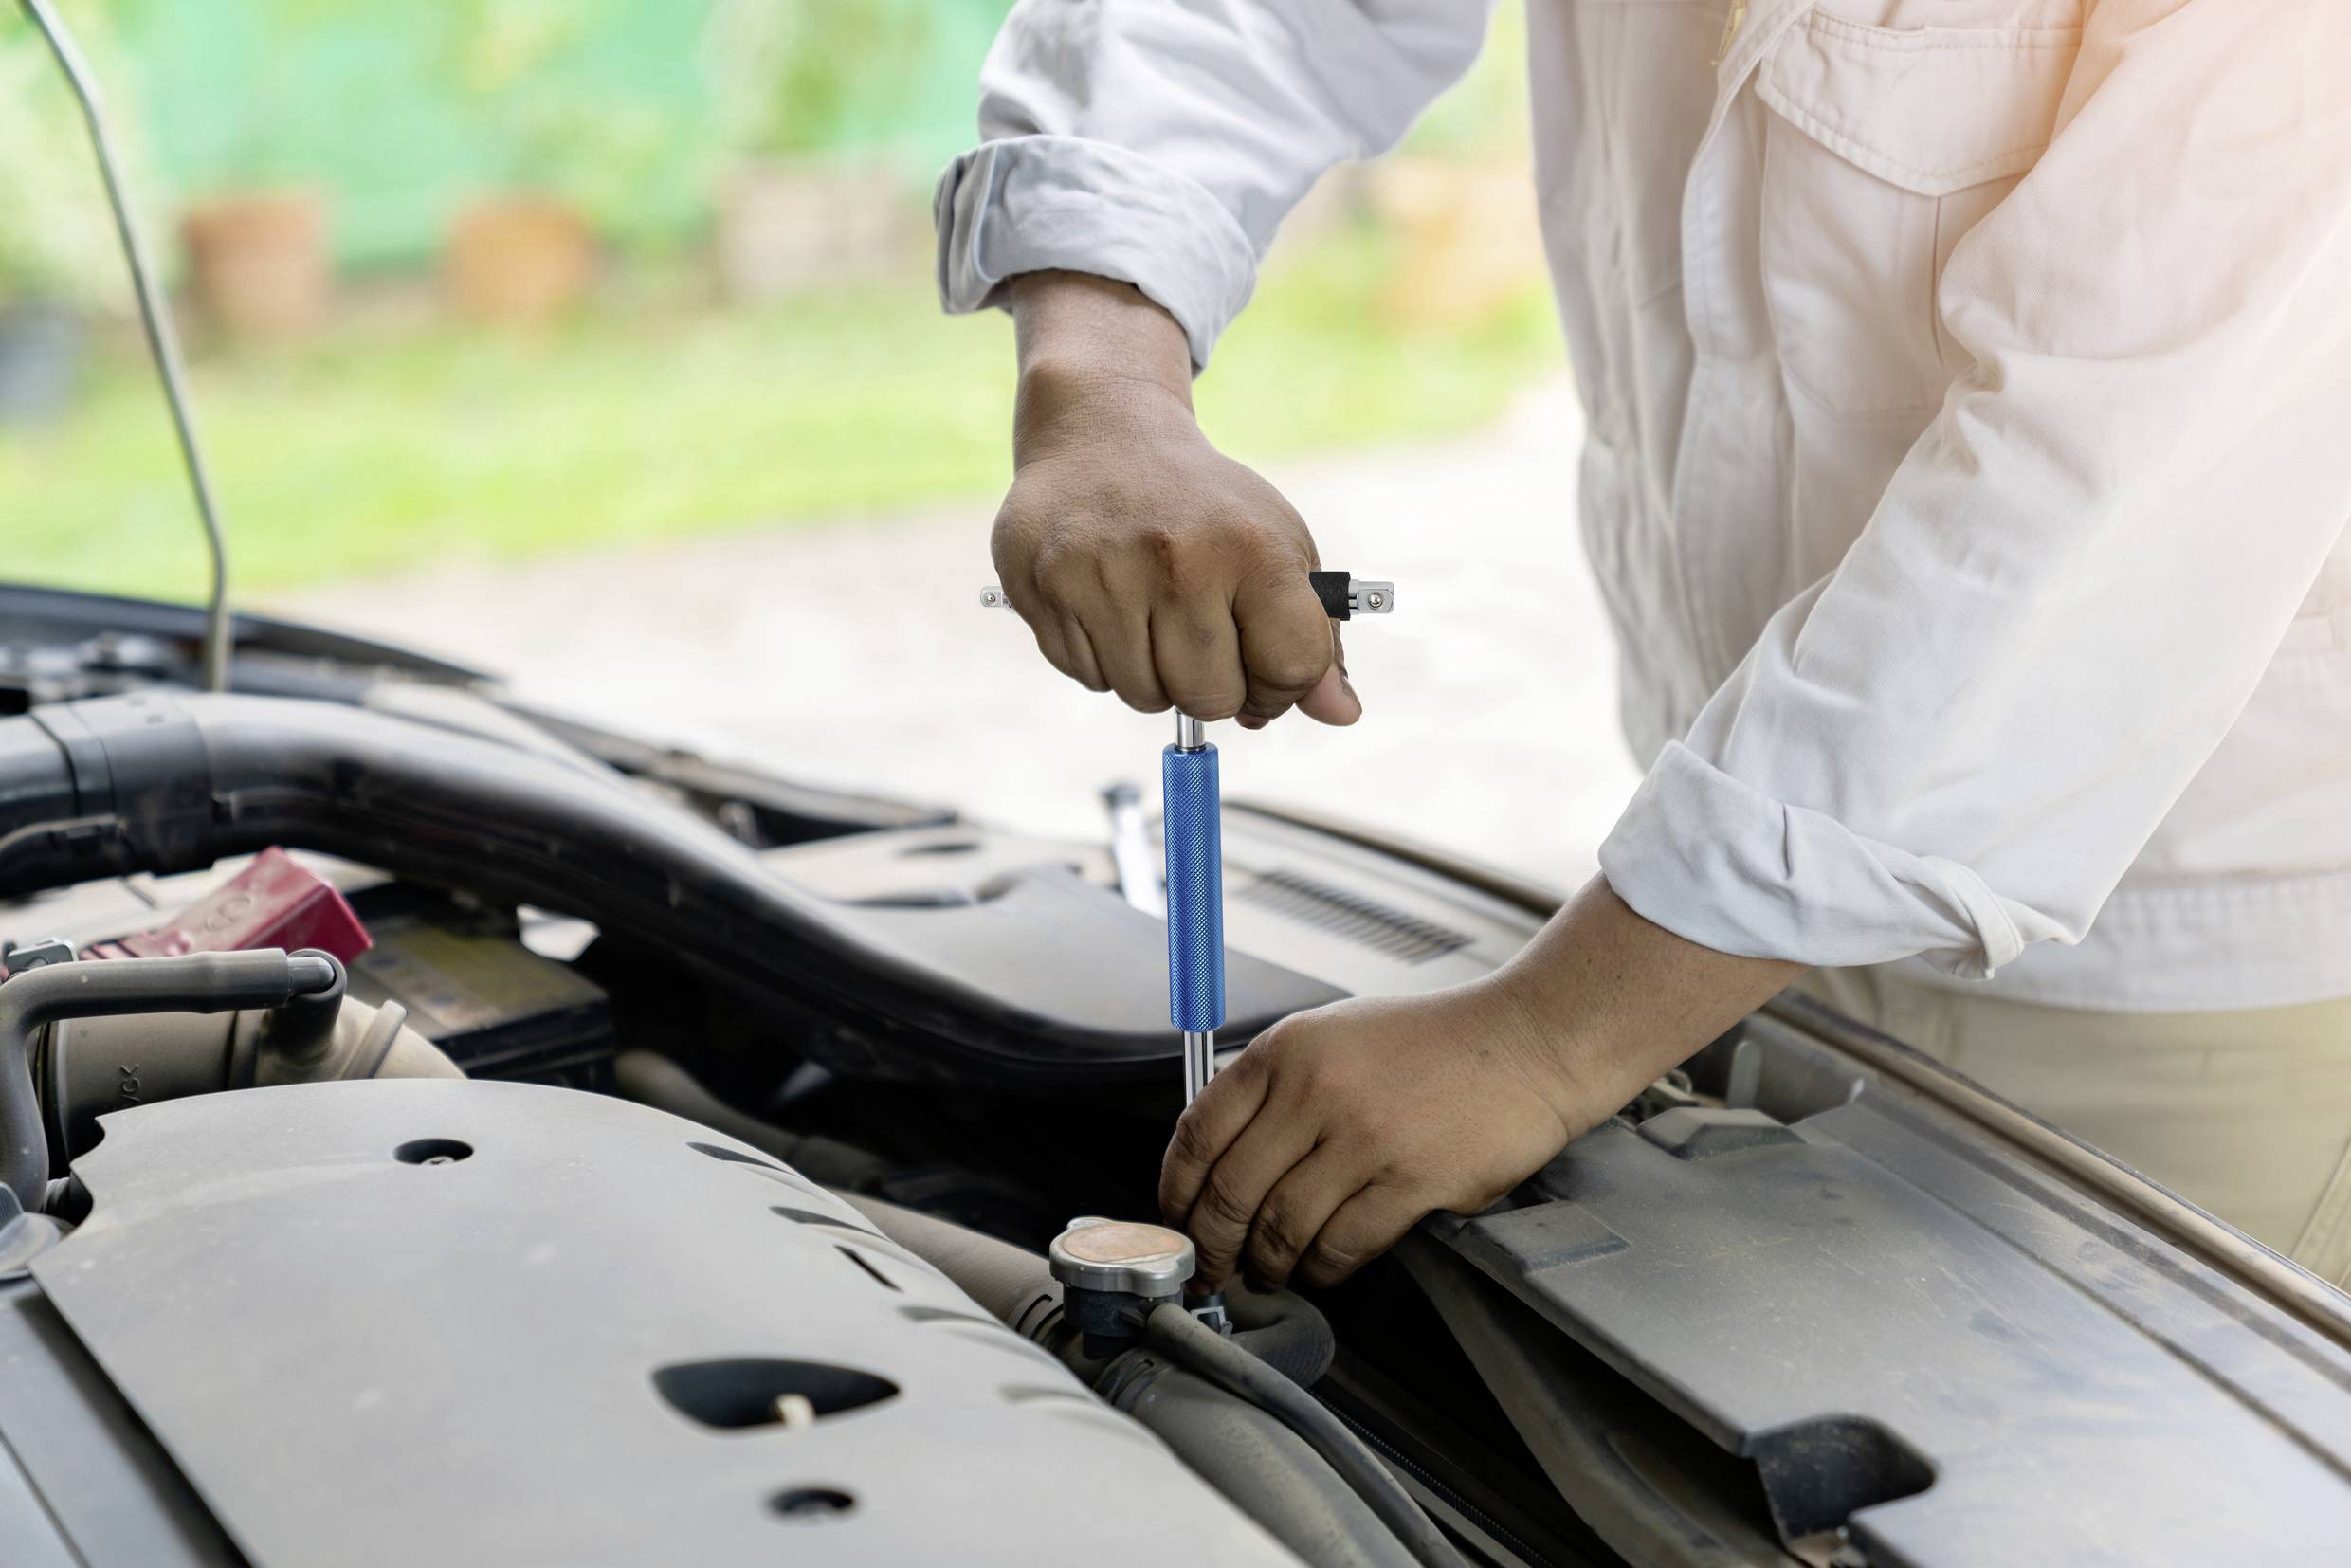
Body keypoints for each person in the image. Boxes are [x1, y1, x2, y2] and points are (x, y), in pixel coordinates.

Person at [934, 0, 2351, 1290]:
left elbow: (2098, 490)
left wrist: (1546, 1038)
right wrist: (1105, 377)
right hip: (1700, 889)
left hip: (2174, 979)